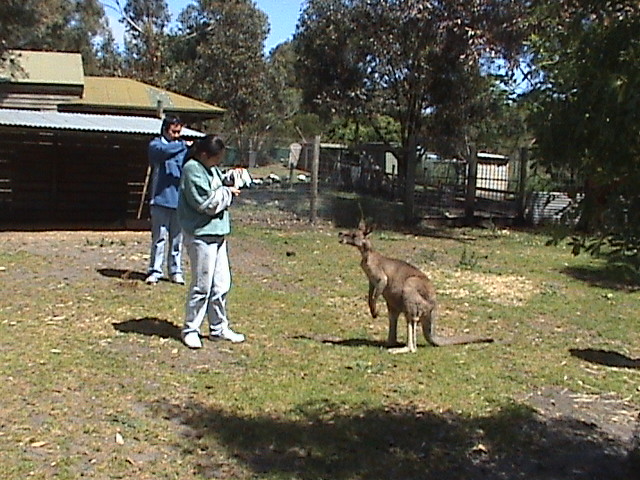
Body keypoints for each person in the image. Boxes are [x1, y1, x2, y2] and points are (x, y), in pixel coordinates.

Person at [177, 134, 245, 349]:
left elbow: (218, 183)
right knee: (202, 286)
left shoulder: (211, 169)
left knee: (221, 284)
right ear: (205, 155)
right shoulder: (191, 170)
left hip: (217, 234)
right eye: (216, 158)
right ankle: (191, 329)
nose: (218, 163)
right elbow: (207, 203)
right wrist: (228, 193)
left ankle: (218, 328)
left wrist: (232, 176)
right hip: (200, 235)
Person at [145, 115, 190, 285]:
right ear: (165, 130)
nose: (177, 135)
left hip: (178, 201)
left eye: (179, 132)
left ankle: (175, 271)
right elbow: (163, 152)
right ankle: (155, 270)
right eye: (174, 131)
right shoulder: (156, 145)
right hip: (160, 200)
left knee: (176, 240)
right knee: (159, 238)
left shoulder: (182, 148)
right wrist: (183, 145)